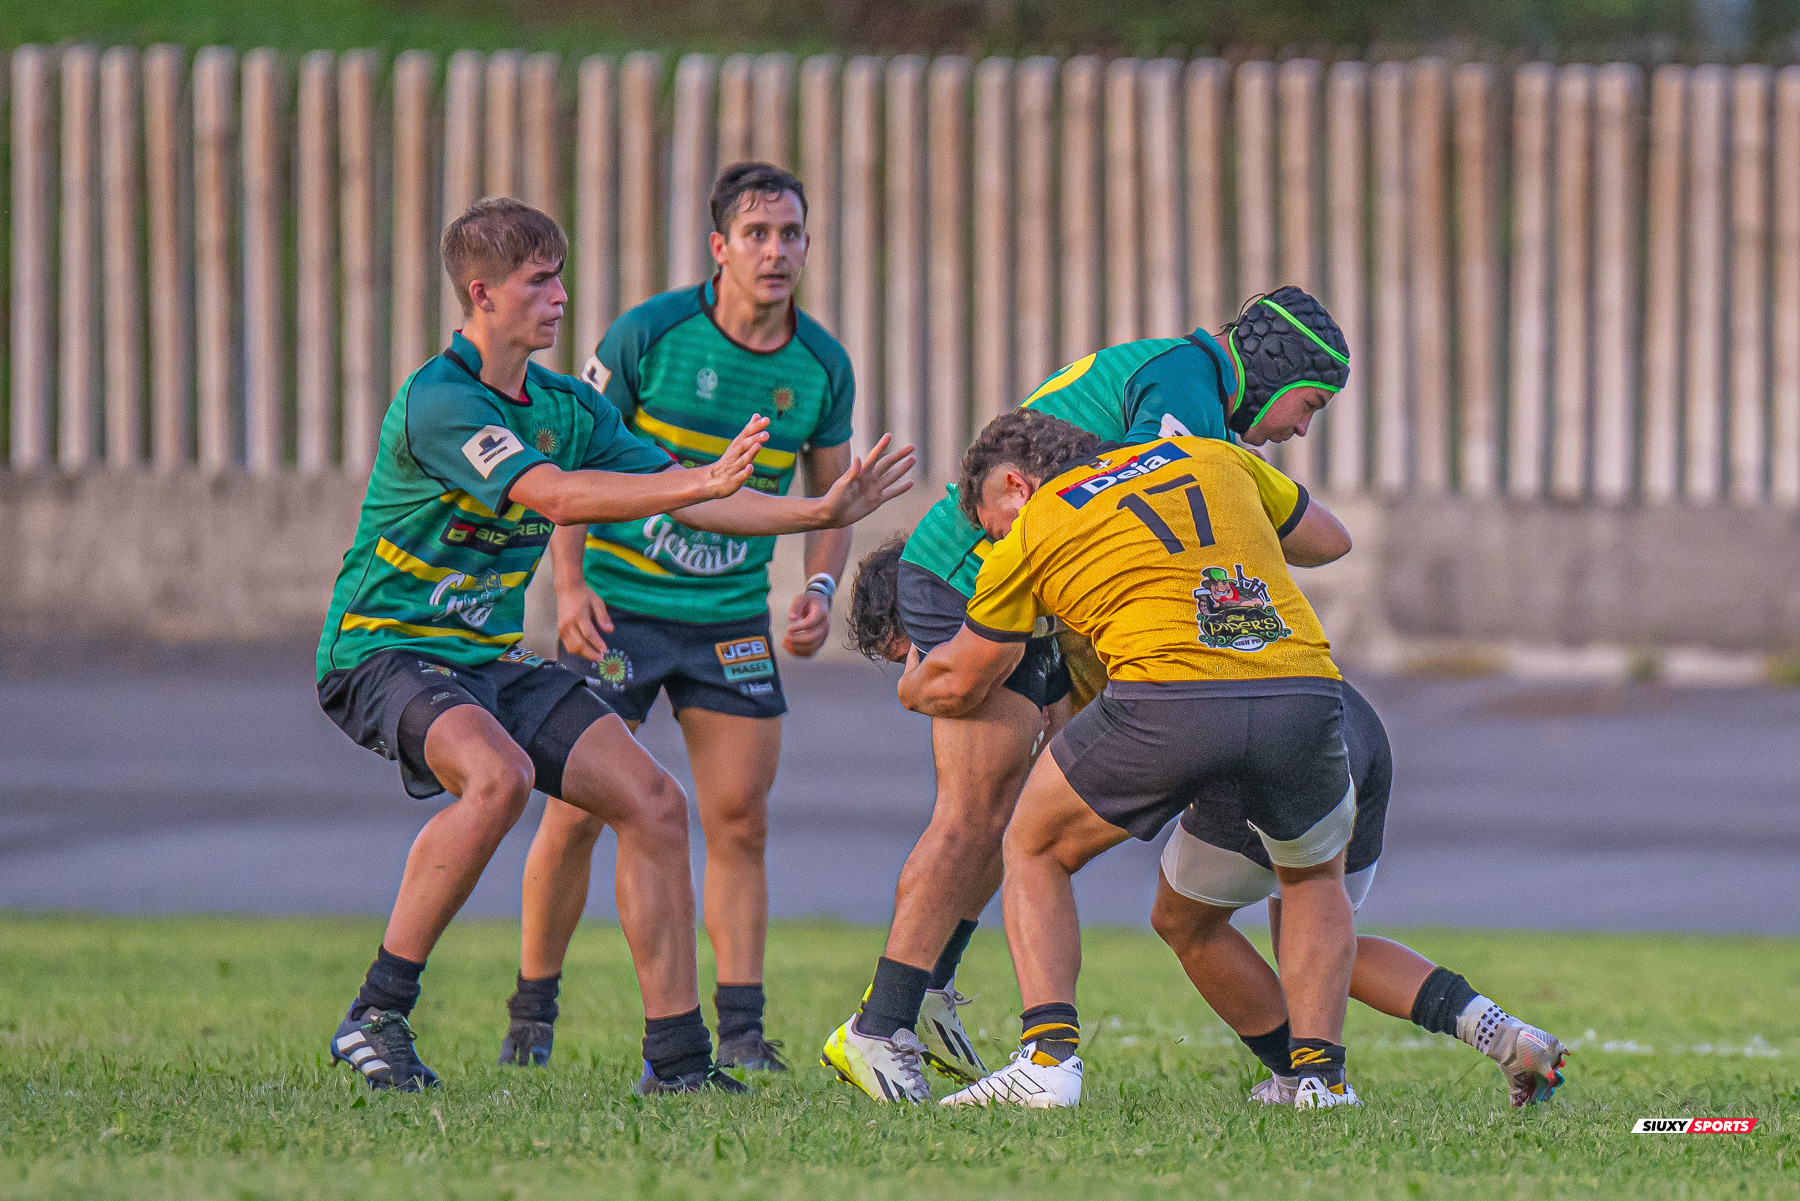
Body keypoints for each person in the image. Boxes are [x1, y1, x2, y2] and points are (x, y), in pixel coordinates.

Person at [314, 197, 912, 1095]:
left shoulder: (563, 403)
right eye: (538, 279)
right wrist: (693, 481)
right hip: (384, 650)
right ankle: (377, 1014)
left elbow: (690, 494)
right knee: (501, 778)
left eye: (559, 274)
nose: (559, 295)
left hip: (481, 658)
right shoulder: (441, 399)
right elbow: (553, 495)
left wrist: (817, 514)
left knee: (655, 802)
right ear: (481, 294)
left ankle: (677, 1063)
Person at [821, 287, 1351, 1103]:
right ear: (1272, 371)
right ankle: (876, 1026)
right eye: (1307, 405)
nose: (1298, 429)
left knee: (1010, 818)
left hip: (1027, 593)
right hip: (976, 579)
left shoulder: (1183, 382)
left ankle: (924, 995)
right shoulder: (1185, 390)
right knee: (977, 814)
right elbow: (1141, 536)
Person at [846, 544, 1569, 1109]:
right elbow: (1322, 535)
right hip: (1342, 712)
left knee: (1174, 914)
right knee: (1316, 930)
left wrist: (930, 682)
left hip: (1236, 720)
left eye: (915, 648)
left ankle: (1072, 1060)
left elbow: (1084, 743)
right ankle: (1501, 1033)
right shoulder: (1162, 509)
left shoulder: (1038, 588)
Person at [497, 163, 855, 1075]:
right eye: (758, 233)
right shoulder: (648, 334)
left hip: (730, 618)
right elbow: (572, 464)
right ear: (720, 248)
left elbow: (833, 504)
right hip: (620, 610)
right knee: (579, 814)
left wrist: (814, 595)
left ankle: (742, 1029)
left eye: (791, 234)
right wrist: (567, 587)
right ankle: (531, 1017)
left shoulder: (821, 367)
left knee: (739, 819)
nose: (776, 252)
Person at [907, 411, 1361, 1109]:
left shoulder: (1036, 522)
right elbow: (1329, 538)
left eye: (988, 524)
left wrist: (913, 675)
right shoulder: (1212, 454)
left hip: (1171, 693)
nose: (991, 539)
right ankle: (1321, 1081)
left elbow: (961, 679)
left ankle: (1048, 1059)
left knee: (1032, 846)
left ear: (1015, 485)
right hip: (1299, 684)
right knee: (1310, 875)